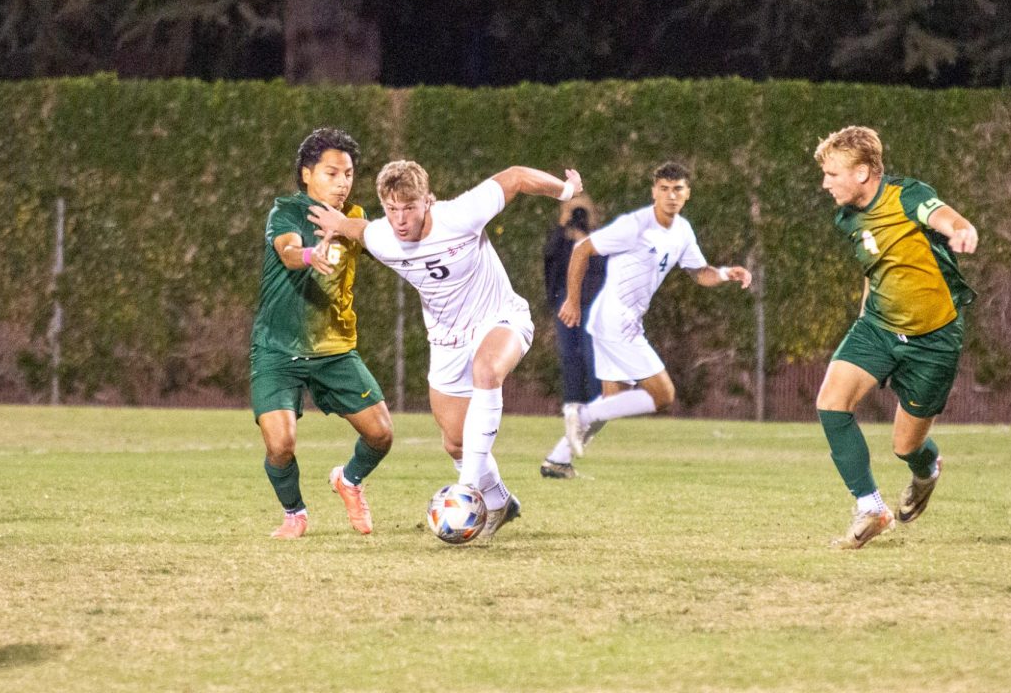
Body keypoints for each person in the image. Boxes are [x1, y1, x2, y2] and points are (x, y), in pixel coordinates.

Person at [308, 160, 583, 539]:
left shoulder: (460, 215)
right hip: (447, 341)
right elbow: (360, 229)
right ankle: (499, 502)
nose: (400, 219)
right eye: (391, 209)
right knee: (455, 441)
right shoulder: (384, 237)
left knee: (486, 371)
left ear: (429, 201)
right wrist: (337, 224)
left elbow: (516, 177)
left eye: (409, 207)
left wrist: (566, 191)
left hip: (500, 318)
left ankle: (466, 490)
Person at [813, 125, 977, 549]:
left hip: (933, 340)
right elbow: (878, 266)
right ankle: (871, 507)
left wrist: (961, 230)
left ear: (864, 172)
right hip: (878, 326)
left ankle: (928, 470)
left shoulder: (907, 195)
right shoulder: (848, 217)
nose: (825, 183)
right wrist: (863, 319)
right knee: (831, 402)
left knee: (906, 446)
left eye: (833, 174)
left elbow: (943, 216)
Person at [541, 161, 751, 477]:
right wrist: (571, 300)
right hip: (615, 320)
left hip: (621, 320)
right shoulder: (635, 225)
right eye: (664, 189)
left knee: (615, 400)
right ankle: (580, 412)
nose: (670, 195)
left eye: (677, 189)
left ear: (687, 194)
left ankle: (558, 460)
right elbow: (582, 248)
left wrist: (724, 273)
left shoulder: (682, 230)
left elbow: (698, 272)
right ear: (654, 192)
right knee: (663, 395)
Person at [249, 127, 394, 540]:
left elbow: (395, 248)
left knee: (381, 434)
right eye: (332, 173)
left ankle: (348, 481)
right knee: (280, 445)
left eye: (348, 173)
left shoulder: (355, 219)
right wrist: (312, 254)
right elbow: (290, 253)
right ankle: (294, 513)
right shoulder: (287, 212)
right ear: (307, 174)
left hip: (334, 350)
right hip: (277, 349)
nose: (343, 182)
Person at [540, 194, 606, 479]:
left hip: (592, 307)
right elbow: (549, 257)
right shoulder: (561, 240)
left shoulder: (598, 240)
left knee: (592, 360)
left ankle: (593, 407)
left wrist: (587, 228)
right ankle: (573, 406)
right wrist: (563, 223)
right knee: (570, 358)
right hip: (566, 305)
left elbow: (603, 267)